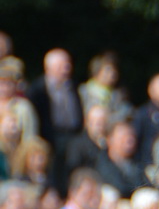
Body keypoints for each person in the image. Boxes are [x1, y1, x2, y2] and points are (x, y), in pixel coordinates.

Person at [27, 48, 83, 191]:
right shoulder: (37, 89)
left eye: (67, 65)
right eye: (61, 66)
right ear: (48, 68)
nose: (66, 69)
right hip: (49, 137)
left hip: (73, 135)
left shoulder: (73, 86)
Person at [94, 120, 145, 197]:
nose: (129, 140)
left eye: (131, 136)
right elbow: (119, 189)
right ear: (109, 139)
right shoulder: (101, 164)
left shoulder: (138, 161)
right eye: (123, 137)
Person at [61, 104, 110, 177]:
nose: (100, 126)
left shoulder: (110, 144)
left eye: (103, 122)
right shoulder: (77, 145)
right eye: (96, 123)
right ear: (87, 122)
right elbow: (74, 170)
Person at [0, 57, 39, 145]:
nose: (4, 88)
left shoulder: (24, 106)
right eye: (1, 83)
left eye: (9, 83)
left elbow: (30, 135)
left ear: (15, 85)